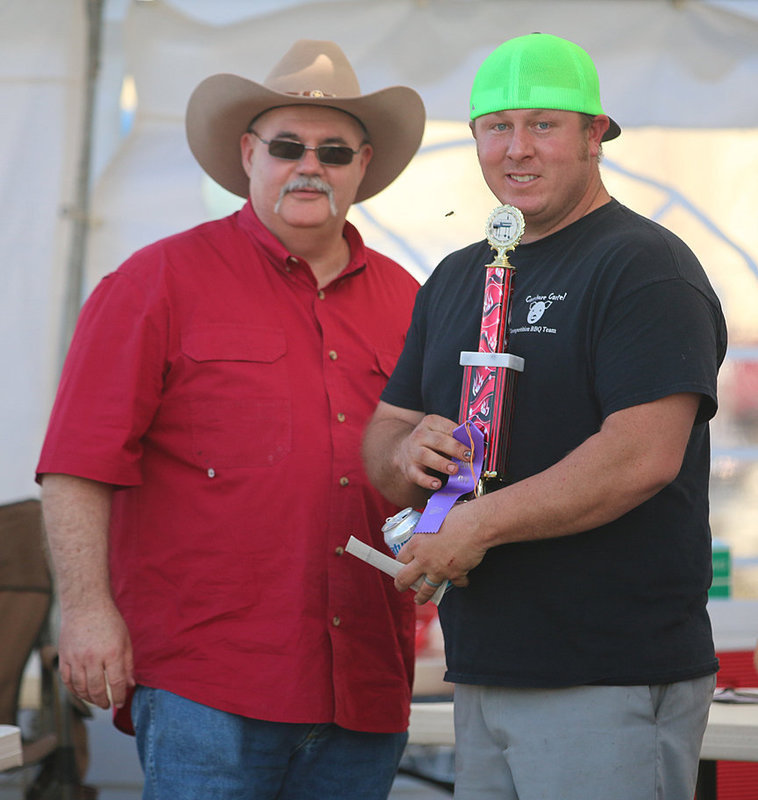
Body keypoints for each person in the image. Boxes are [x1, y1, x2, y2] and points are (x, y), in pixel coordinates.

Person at [37, 39, 425, 800]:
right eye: (287, 146)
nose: (309, 165)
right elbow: (77, 463)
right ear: (249, 154)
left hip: (366, 681)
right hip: (207, 680)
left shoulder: (412, 298)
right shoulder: (156, 281)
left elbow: (437, 468)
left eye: (334, 150)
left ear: (363, 165)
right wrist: (85, 612)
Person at [363, 32, 728, 800]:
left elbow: (640, 456)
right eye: (497, 127)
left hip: (608, 671)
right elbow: (385, 431)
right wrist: (407, 458)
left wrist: (472, 527)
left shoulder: (644, 266)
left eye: (544, 124)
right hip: (486, 664)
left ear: (596, 135)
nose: (517, 149)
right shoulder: (460, 276)